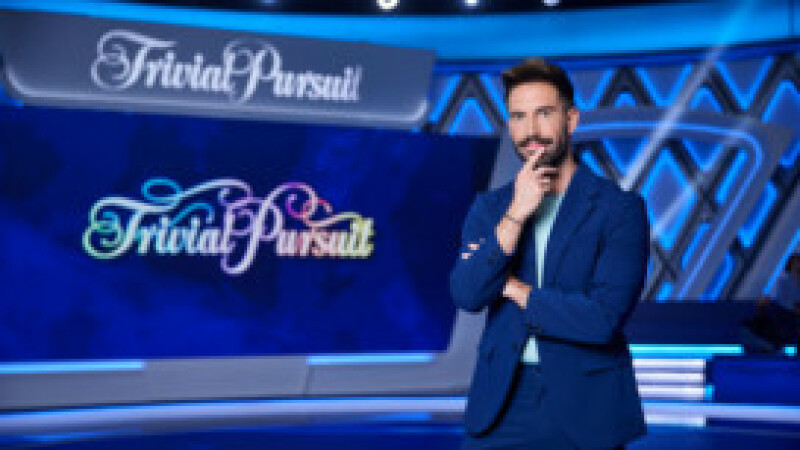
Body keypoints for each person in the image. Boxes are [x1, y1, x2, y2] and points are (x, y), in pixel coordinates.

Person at [450, 58, 650, 449]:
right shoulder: (491, 209)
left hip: (586, 405)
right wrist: (516, 214)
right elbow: (468, 294)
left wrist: (513, 288)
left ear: (570, 119)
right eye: (519, 117)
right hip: (501, 403)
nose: (531, 131)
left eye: (544, 114)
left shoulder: (619, 210)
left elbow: (601, 320)